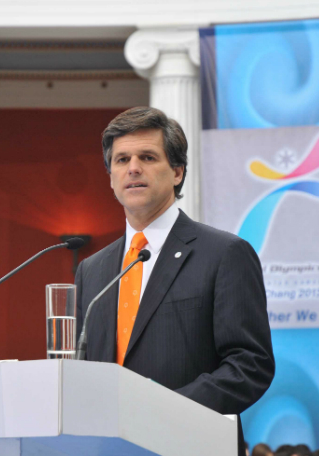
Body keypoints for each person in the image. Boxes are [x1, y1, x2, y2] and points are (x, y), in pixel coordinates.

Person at [75, 107, 275, 456]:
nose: (133, 168)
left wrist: (166, 410)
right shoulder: (92, 269)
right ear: (111, 178)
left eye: (147, 157)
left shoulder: (224, 254)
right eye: (121, 160)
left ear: (177, 172)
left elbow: (250, 364)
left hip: (191, 443)